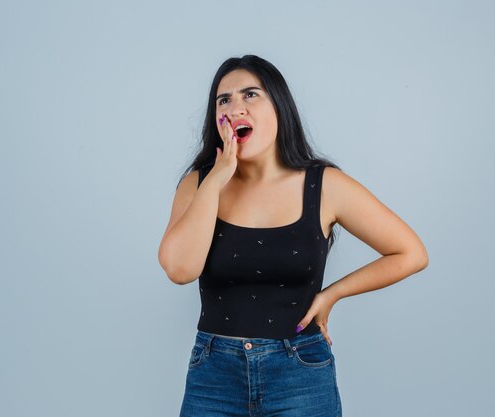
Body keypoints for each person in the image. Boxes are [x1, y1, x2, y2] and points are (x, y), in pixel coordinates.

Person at [157, 55, 428, 417]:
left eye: (250, 95)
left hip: (299, 373)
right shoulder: (200, 184)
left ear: (279, 107)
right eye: (225, 100)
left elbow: (411, 252)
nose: (236, 107)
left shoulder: (325, 185)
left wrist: (332, 294)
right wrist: (217, 178)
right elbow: (179, 269)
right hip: (214, 375)